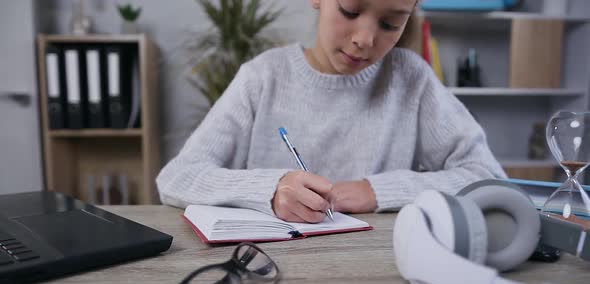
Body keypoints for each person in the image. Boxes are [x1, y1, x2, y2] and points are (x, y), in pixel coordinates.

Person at [156, 0, 506, 223]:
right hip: (270, 272)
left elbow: (488, 177)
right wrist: (269, 189)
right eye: (351, 11)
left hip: (381, 274)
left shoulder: (411, 79)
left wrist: (377, 191)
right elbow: (176, 178)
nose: (365, 39)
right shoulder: (263, 77)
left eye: (390, 24)